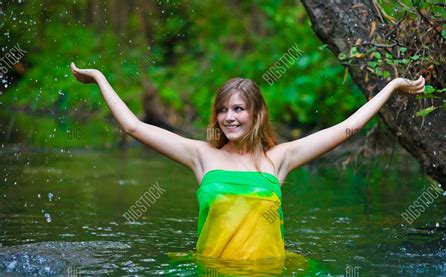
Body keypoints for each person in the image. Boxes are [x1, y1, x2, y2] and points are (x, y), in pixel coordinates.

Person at [70, 62, 425, 260]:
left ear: (255, 114)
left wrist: (392, 86)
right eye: (222, 110)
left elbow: (349, 128)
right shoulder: (201, 155)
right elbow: (133, 126)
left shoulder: (280, 159)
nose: (229, 117)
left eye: (238, 109)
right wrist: (100, 77)